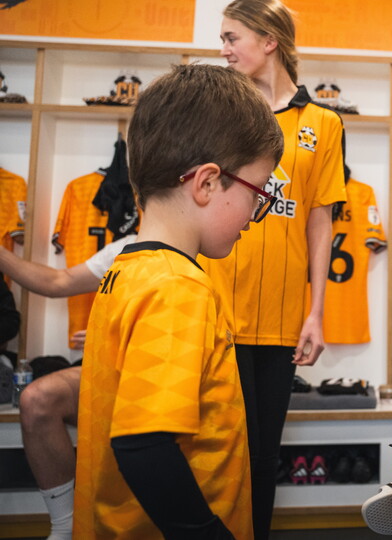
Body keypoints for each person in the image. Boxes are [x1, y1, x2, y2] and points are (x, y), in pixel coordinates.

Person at [73, 63, 283, 538]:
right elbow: (145, 445)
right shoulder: (178, 286)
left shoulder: (126, 270)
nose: (255, 213)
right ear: (206, 183)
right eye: (257, 192)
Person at [216, 2, 347, 536]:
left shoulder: (324, 123)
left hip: (279, 317)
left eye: (232, 37)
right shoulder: (222, 112)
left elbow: (320, 221)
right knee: (216, 451)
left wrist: (315, 312)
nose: (224, 50)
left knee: (262, 453)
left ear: (269, 40)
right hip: (216, 311)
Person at [0, 235, 134, 540]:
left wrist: (118, 333)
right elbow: (57, 281)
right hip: (110, 369)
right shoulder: (127, 247)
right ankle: (65, 526)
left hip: (165, 375)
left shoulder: (210, 247)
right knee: (37, 399)